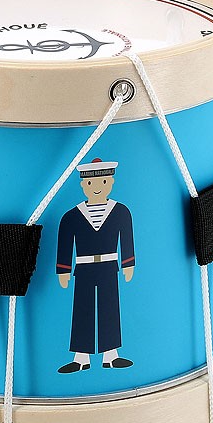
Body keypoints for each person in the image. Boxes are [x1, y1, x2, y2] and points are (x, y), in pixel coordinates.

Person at [55, 158, 135, 373]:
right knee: (83, 309)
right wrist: (63, 270)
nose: (97, 187)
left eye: (103, 182)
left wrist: (128, 264)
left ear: (111, 182)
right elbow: (65, 244)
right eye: (91, 183)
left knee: (110, 307)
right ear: (83, 185)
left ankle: (111, 355)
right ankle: (81, 357)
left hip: (109, 266)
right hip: (83, 269)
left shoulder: (121, 211)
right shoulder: (71, 216)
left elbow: (126, 240)